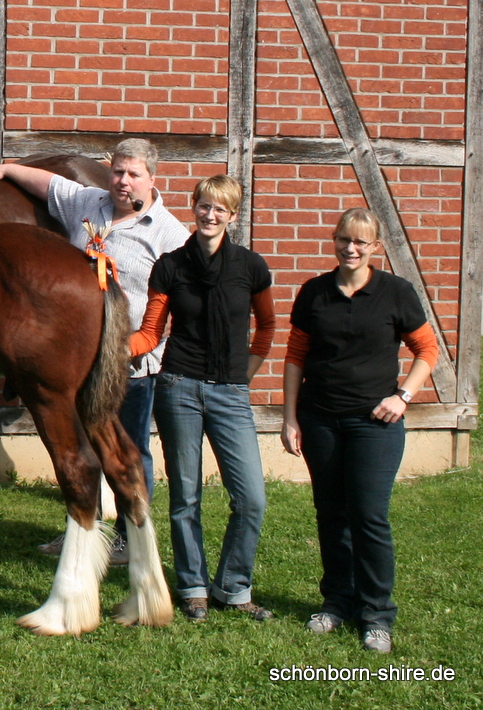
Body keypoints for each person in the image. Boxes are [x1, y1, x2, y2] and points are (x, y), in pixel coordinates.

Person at [0, 138, 188, 563]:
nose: (122, 181)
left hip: (129, 360)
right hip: (74, 357)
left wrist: (143, 346)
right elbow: (50, 184)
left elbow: (178, 306)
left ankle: (130, 534)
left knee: (127, 446)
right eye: (117, 171)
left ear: (152, 177)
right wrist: (6, 170)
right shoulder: (90, 201)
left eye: (132, 174)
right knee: (79, 445)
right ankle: (84, 527)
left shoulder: (170, 235)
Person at [282, 208, 437, 654]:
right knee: (331, 514)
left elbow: (426, 350)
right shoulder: (314, 292)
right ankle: (337, 601)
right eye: (343, 239)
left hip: (375, 424)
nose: (350, 249)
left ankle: (377, 614)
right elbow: (296, 356)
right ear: (334, 241)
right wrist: (290, 417)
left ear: (376, 248)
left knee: (368, 516)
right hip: (320, 418)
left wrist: (402, 396)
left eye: (360, 243)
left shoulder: (395, 292)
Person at [128, 175, 276, 621]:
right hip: (179, 390)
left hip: (231, 394)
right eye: (204, 206)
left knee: (251, 499)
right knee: (185, 497)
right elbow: (151, 333)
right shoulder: (170, 266)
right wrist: (114, 348)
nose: (210, 215)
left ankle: (233, 587)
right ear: (194, 208)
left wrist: (243, 375)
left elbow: (267, 327)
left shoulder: (251, 267)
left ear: (233, 216)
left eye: (220, 209)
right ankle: (192, 586)